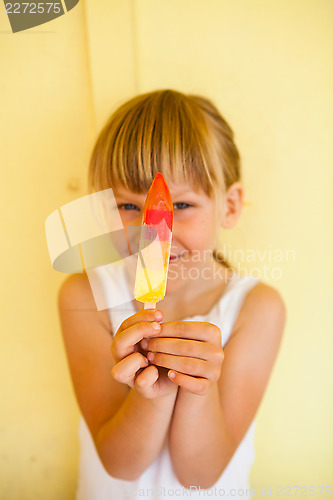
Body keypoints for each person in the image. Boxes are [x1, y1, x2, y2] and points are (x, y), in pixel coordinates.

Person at [58, 89, 286, 499]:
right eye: (128, 207)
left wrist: (200, 388)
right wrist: (151, 394)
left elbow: (200, 474)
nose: (153, 233)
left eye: (179, 206)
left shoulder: (258, 309)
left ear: (229, 206)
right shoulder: (84, 295)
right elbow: (118, 463)